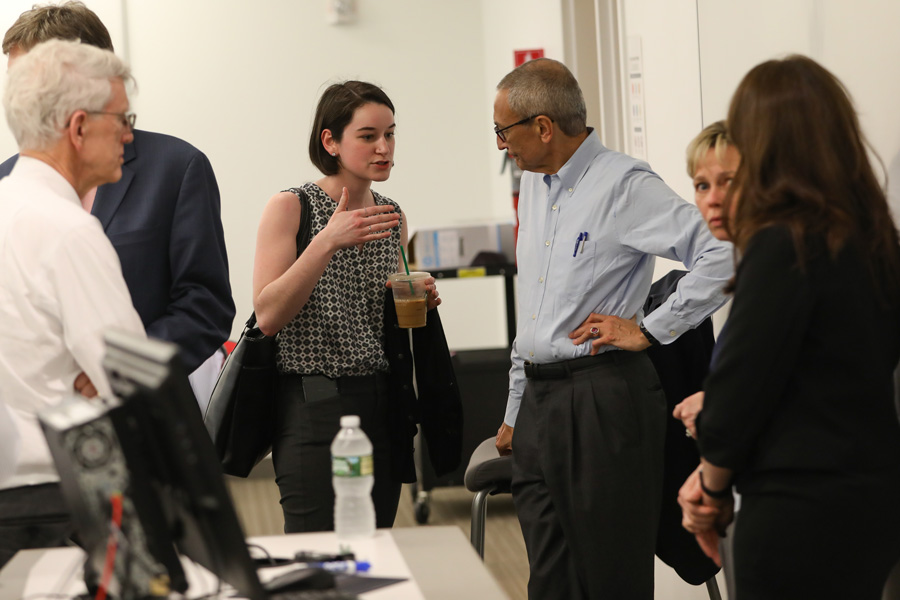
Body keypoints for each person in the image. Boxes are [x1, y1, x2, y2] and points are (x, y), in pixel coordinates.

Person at [491, 58, 733, 599]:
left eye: (503, 132)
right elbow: (533, 303)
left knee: (611, 580)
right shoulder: (533, 186)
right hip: (539, 403)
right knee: (549, 582)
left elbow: (723, 252)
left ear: (543, 127)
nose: (502, 144)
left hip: (603, 399)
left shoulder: (624, 185)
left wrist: (650, 328)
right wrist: (514, 408)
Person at [679, 55, 900, 599]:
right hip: (869, 498)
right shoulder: (872, 238)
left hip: (797, 510)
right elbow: (828, 371)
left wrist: (709, 485)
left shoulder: (784, 243)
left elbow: (741, 387)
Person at [0, 2, 234, 404]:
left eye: (32, 77)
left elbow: (205, 305)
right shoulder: (8, 182)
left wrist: (125, 369)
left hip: (141, 413)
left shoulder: (176, 168)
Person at [253, 81, 444, 533]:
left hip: (380, 400)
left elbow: (381, 318)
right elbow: (267, 315)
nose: (384, 148)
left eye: (391, 134)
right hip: (313, 399)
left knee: (374, 544)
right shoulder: (291, 208)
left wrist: (420, 301)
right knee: (318, 549)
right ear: (330, 141)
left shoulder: (391, 215)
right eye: (368, 136)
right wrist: (326, 242)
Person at [0, 39, 145, 567]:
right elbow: (131, 385)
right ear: (79, 127)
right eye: (121, 118)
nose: (128, 134)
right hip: (62, 500)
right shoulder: (68, 231)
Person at [673, 120, 739, 436]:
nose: (713, 199)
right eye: (702, 186)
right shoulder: (755, 269)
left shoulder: (785, 269)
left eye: (729, 182)